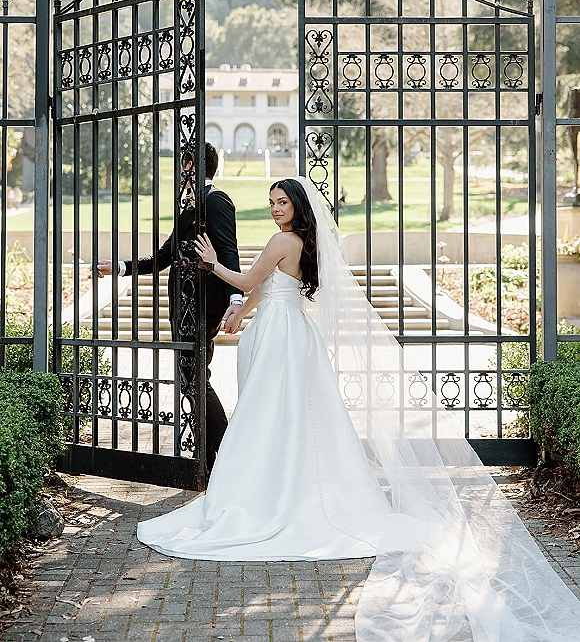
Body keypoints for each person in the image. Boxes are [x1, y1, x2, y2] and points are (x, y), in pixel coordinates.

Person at [136, 177, 580, 641]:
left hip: (278, 337)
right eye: (270, 203)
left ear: (297, 205)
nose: (274, 209)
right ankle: (290, 484)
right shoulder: (305, 244)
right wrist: (241, 313)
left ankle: (265, 493)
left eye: (281, 202)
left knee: (269, 416)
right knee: (293, 416)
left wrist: (213, 265)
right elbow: (269, 289)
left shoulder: (281, 240)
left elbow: (250, 280)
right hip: (291, 332)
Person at [95, 142, 242, 473]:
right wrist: (120, 267)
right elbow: (164, 256)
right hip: (184, 307)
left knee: (194, 379)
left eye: (182, 164)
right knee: (191, 377)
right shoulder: (190, 205)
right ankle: (210, 458)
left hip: (203, 306)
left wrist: (236, 300)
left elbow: (228, 252)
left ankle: (229, 456)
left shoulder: (215, 201)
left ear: (191, 166)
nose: (178, 171)